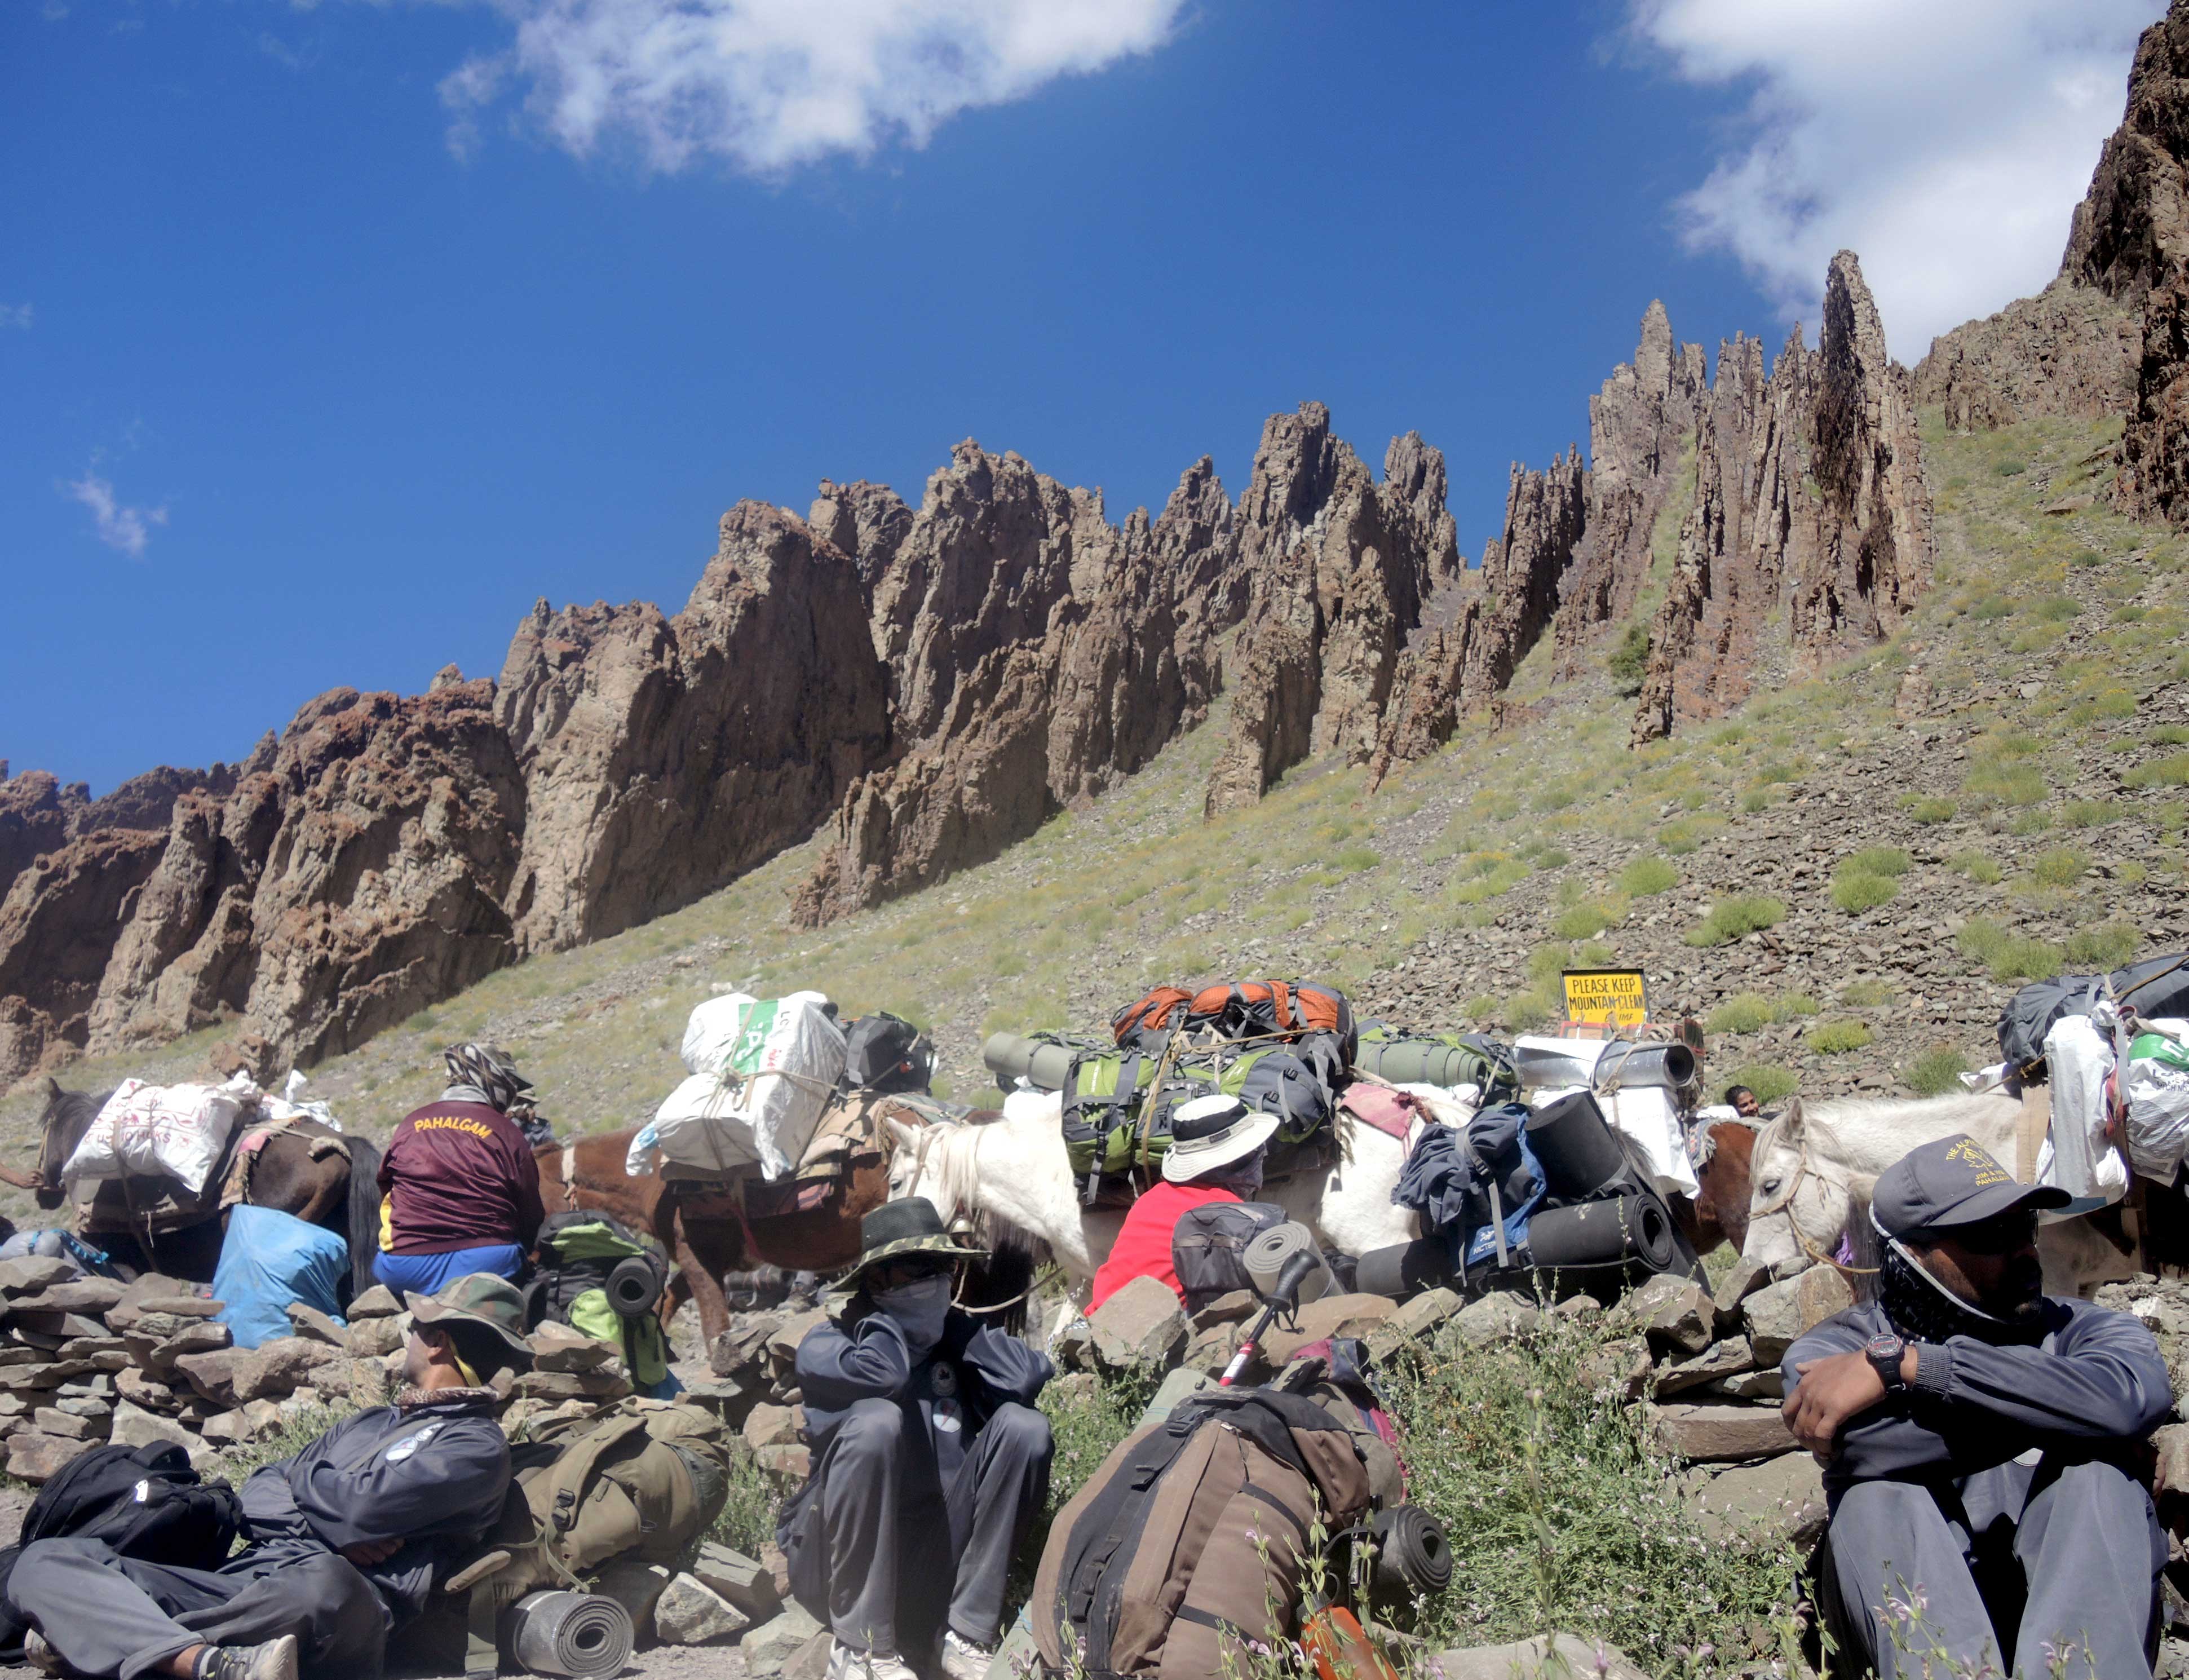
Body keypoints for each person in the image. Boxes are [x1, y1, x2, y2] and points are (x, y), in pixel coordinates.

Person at [1781, 1134, 2170, 1679]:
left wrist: (1915, 1366)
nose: (2024, 1252)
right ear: (1914, 1255)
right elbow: (1862, 1449)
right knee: (1876, 1494)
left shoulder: (2081, 1329)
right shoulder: (1829, 1357)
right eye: (1992, 1234)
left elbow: (2134, 1390)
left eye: (2026, 1227)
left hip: (2077, 1641)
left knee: (2099, 1475)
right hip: (1922, 1642)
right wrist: (2078, 1415)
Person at [8, 1275, 529, 1680]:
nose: (408, 1337)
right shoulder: (371, 1421)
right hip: (242, 1586)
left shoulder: (475, 1448)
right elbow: (258, 1491)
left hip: (339, 1606)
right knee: (47, 1560)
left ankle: (103, 1636)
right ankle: (206, 1664)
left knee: (325, 1581)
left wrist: (304, 1489)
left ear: (437, 1341)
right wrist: (323, 1512)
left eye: (416, 1327)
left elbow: (358, 1511)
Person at [779, 1199, 1054, 1680]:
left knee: (1024, 1427)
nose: (939, 1282)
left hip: (931, 1558)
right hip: (837, 1564)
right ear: (879, 1280)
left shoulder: (954, 1341)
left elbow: (1025, 1377)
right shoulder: (828, 1345)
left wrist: (955, 1329)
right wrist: (879, 1319)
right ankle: (860, 1648)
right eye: (920, 1268)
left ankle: (965, 1636)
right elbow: (881, 1375)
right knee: (876, 1422)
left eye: (945, 1267)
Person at [374, 1044, 546, 1292]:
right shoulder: (507, 1131)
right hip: (486, 1264)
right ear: (494, 1082)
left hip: (405, 1266)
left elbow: (386, 1188)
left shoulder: (410, 1123)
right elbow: (531, 1212)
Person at [1089, 1094, 1277, 1313]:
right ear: (1241, 1160)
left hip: (1099, 1324)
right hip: (1152, 1335)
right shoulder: (1233, 1217)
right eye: (1259, 1155)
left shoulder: (1151, 1199)